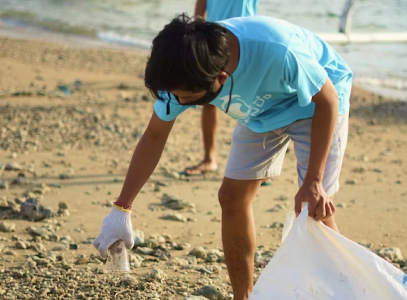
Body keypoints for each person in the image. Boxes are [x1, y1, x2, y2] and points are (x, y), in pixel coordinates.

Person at [94, 14, 352, 300]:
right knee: (231, 198)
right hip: (259, 112)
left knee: (314, 210)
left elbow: (327, 98)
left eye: (188, 99)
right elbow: (154, 137)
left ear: (221, 78)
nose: (177, 104)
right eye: (174, 96)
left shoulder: (278, 49)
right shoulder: (180, 75)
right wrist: (122, 208)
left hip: (317, 105)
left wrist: (314, 181)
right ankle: (244, 297)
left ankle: (349, 291)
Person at [184, 0, 273, 187]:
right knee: (208, 99)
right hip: (212, 40)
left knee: (255, 101)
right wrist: (195, 39)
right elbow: (201, 6)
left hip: (246, 41)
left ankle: (261, 168)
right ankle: (209, 159)